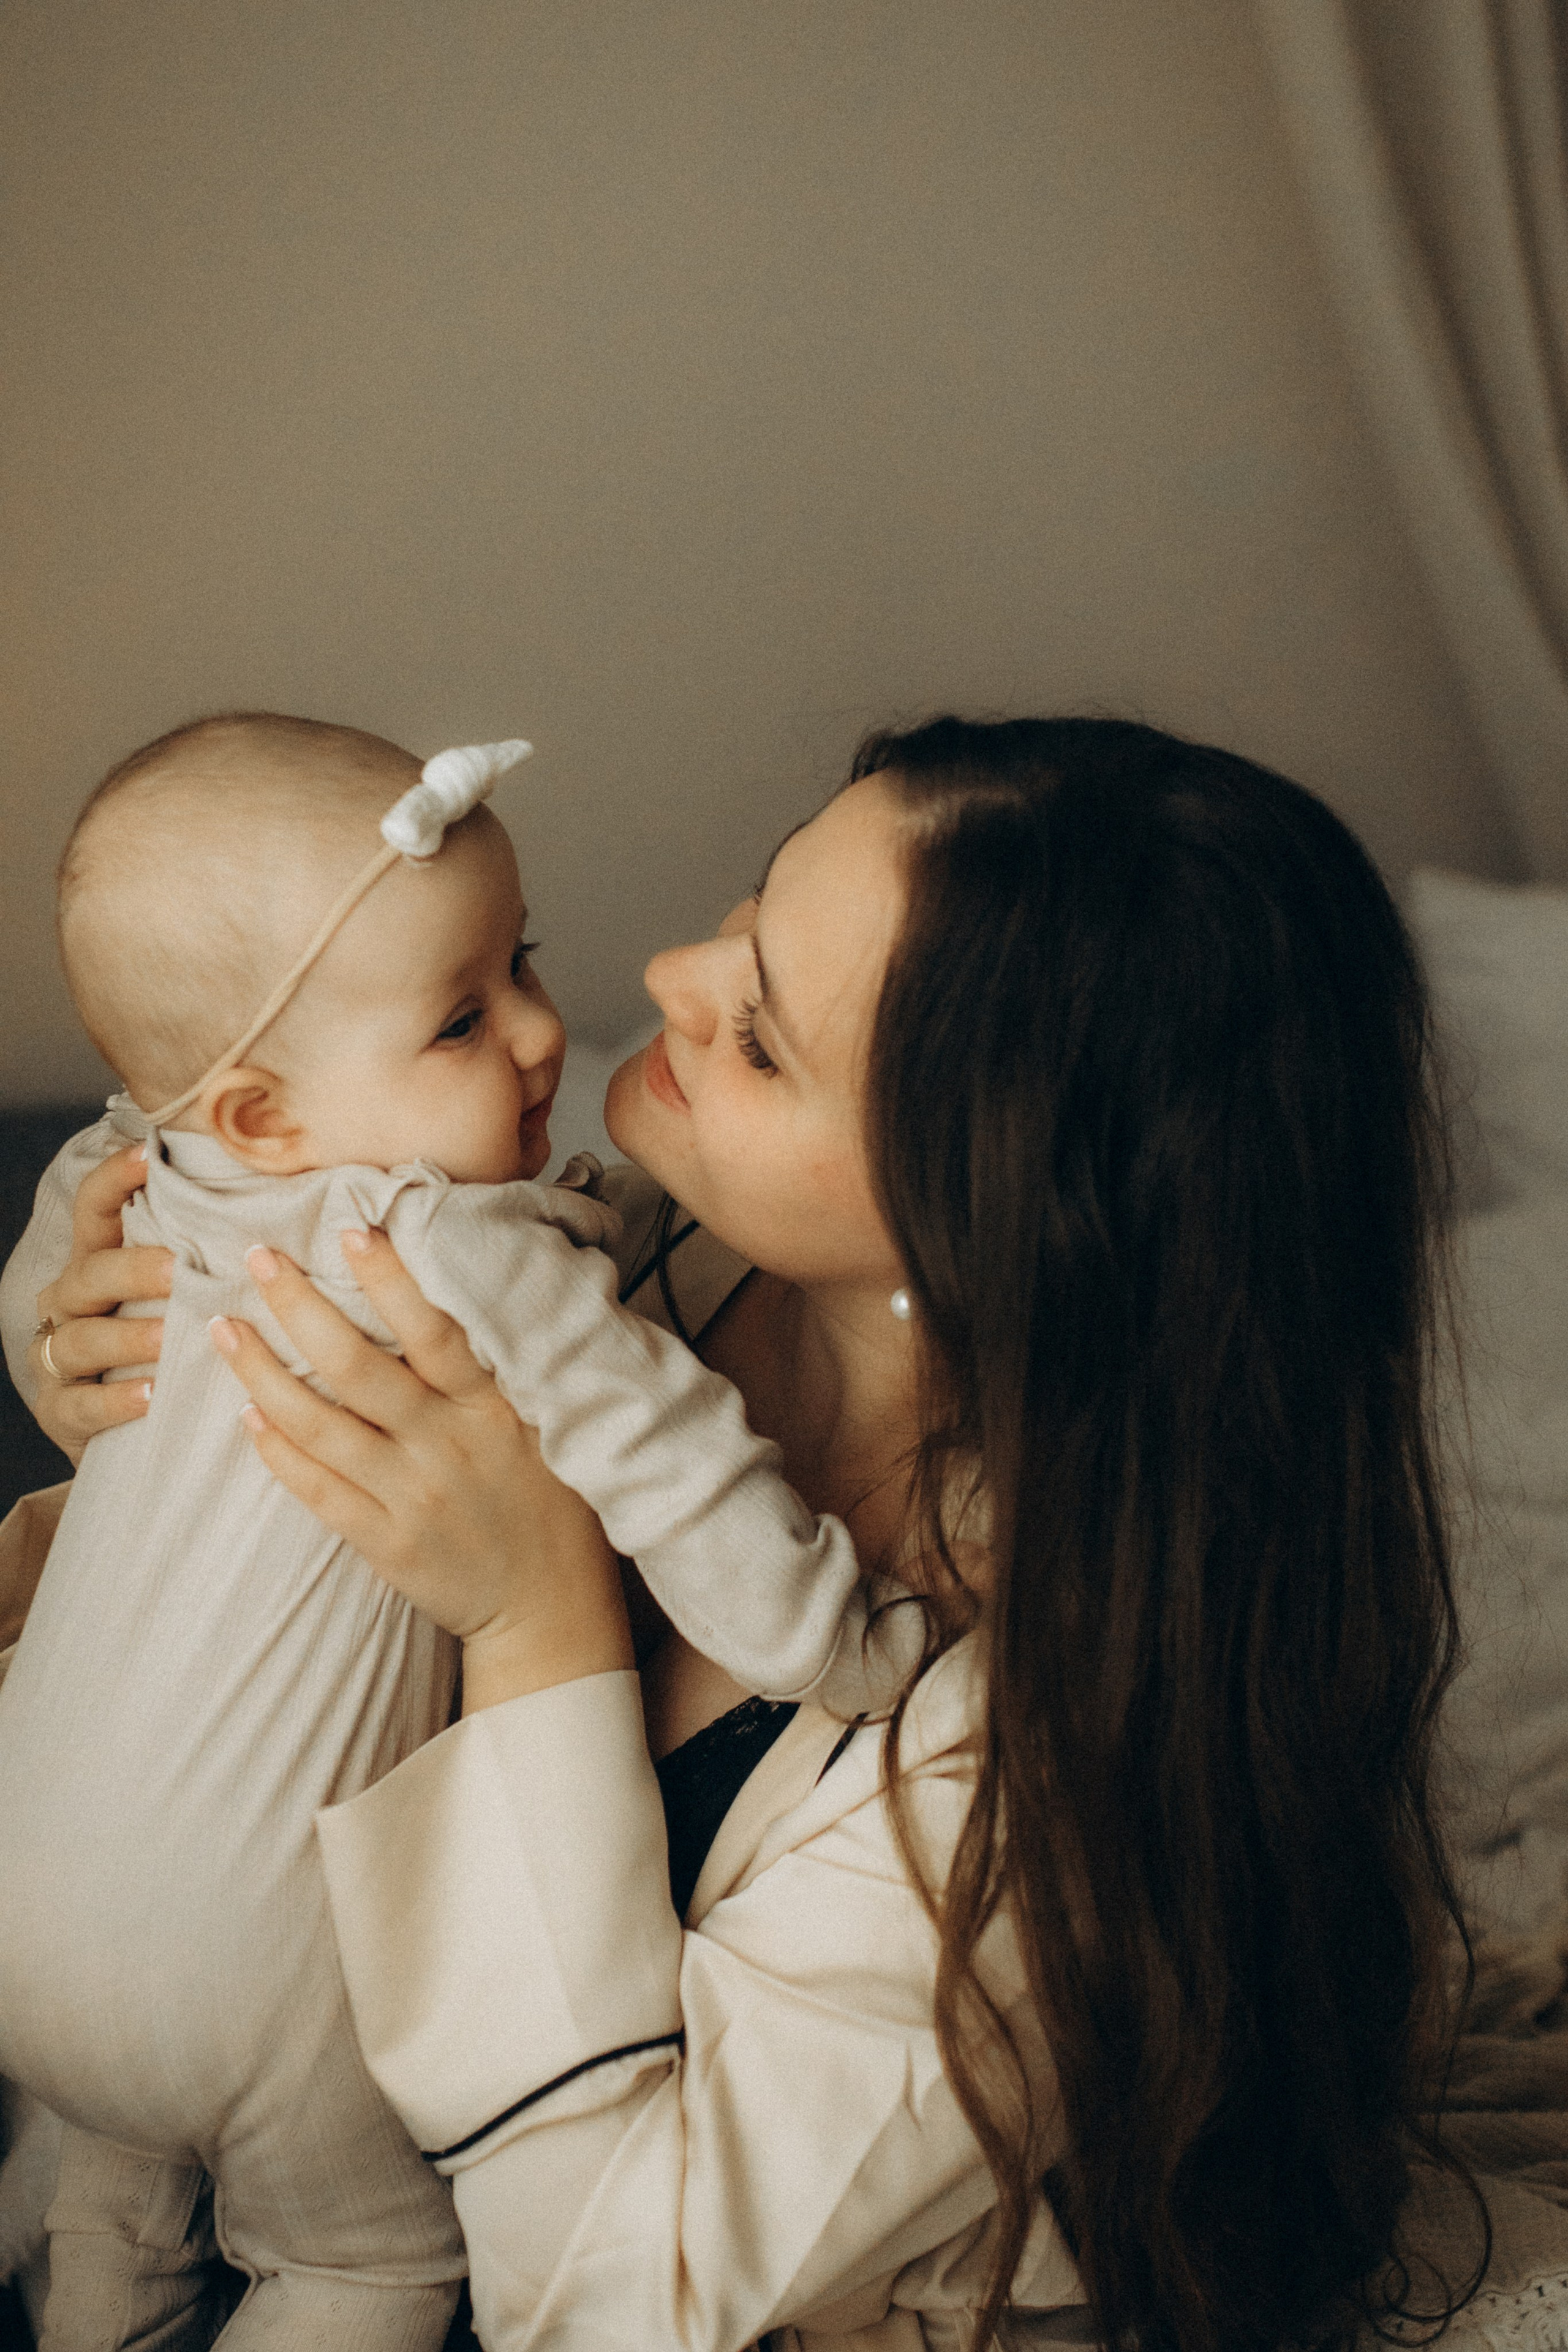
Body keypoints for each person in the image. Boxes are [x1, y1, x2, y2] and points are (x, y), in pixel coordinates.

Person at [14, 717, 1483, 2352]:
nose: (670, 973)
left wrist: (537, 1626)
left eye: (766, 1038)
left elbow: (613, 2294)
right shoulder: (644, 1268)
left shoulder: (1039, 1773)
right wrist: (150, 1388)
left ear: (985, 1217)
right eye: (747, 915)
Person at [0, 712, 887, 2351]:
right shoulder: (454, 1236)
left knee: (110, 2218)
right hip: (249, 1973)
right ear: (258, 1113)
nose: (562, 1030)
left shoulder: (173, 1160)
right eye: (469, 1017)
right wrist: (837, 1635)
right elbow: (671, 1454)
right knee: (362, 2268)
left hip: (28, 1918)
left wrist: (34, 1331)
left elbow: (77, 1190)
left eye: (519, 969)